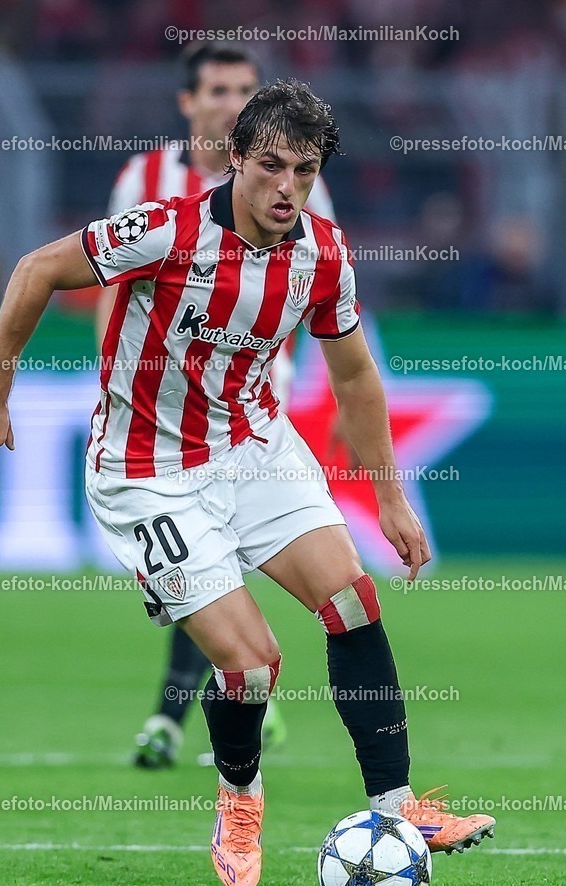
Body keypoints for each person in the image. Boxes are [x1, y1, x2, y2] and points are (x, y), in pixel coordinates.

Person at [0, 79, 496, 886]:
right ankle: (239, 799)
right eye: (272, 166)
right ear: (236, 159)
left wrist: (388, 497)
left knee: (353, 599)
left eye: (305, 170)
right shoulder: (165, 230)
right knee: (252, 666)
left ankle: (397, 806)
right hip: (147, 475)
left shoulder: (323, 252)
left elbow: (354, 376)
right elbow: (38, 269)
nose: (287, 187)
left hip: (252, 449)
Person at [96, 42, 336, 769]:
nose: (232, 101)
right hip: (160, 396)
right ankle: (232, 698)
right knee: (202, 552)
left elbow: (317, 275)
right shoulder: (143, 179)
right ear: (187, 102)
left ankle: (184, 711)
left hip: (254, 397)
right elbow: (107, 271)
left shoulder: (295, 179)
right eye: (218, 88)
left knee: (220, 549)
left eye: (244, 88)